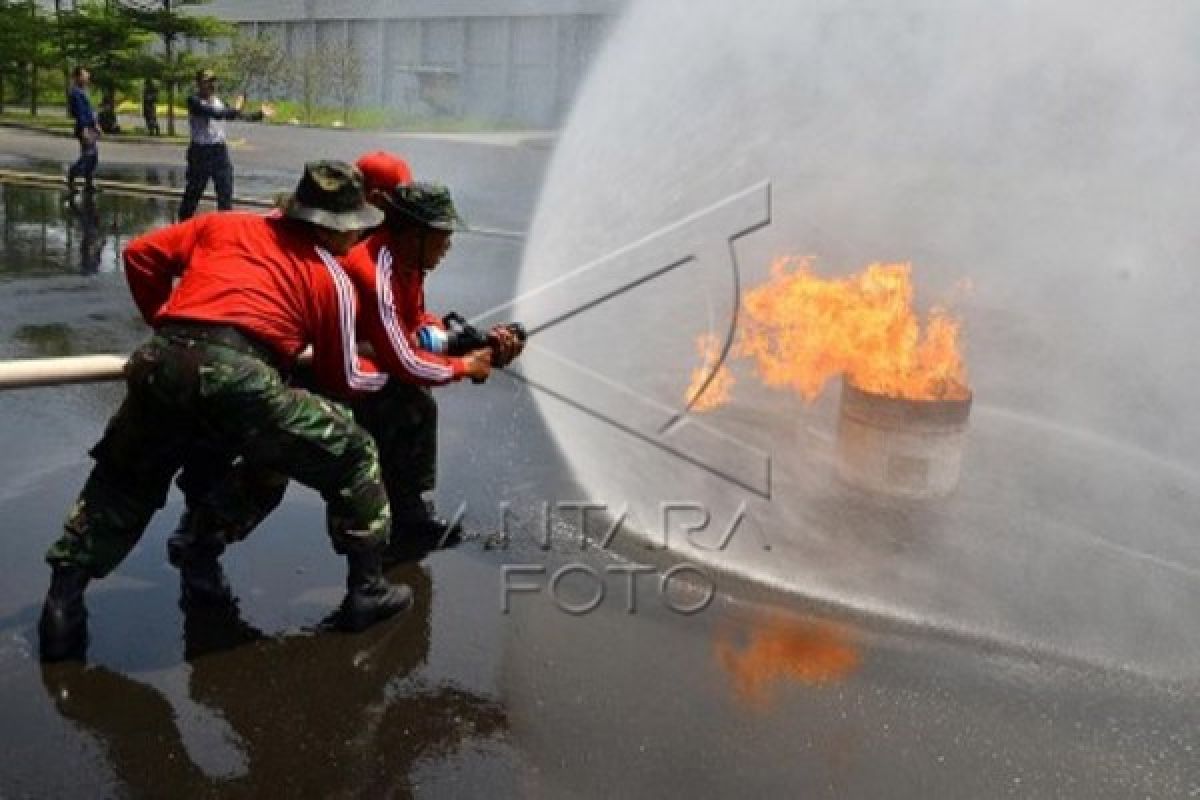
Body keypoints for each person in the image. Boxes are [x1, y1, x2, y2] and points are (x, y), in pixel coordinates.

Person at [37, 161, 416, 663]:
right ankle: (366, 589)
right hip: (241, 377)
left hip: (162, 360)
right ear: (333, 227)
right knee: (350, 452)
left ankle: (62, 607)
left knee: (122, 482)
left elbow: (140, 254)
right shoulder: (331, 278)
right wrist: (395, 371)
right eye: (355, 229)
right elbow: (343, 375)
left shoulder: (224, 224)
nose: (357, 238)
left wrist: (169, 327)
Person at [164, 156, 518, 601]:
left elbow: (407, 326)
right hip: (292, 372)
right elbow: (391, 356)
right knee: (288, 459)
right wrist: (462, 366)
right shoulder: (357, 258)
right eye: (442, 237)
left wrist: (463, 340)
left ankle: (407, 516)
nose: (448, 248)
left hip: (337, 366)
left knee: (412, 406)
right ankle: (200, 538)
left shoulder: (400, 259)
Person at [178, 68, 272, 221]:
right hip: (200, 153)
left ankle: (223, 230)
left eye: (213, 82)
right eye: (206, 82)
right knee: (193, 194)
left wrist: (259, 114)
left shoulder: (218, 101)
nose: (211, 85)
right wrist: (235, 108)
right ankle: (181, 229)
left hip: (219, 152)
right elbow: (216, 114)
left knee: (225, 192)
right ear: (199, 84)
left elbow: (235, 115)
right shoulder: (194, 101)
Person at [66, 66, 99, 196]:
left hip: (90, 127)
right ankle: (72, 175)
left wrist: (96, 124)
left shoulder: (83, 91)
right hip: (83, 128)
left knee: (93, 156)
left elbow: (89, 110)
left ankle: (89, 182)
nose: (88, 76)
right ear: (78, 77)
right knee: (88, 155)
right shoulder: (75, 93)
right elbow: (80, 113)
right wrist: (85, 129)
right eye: (85, 75)